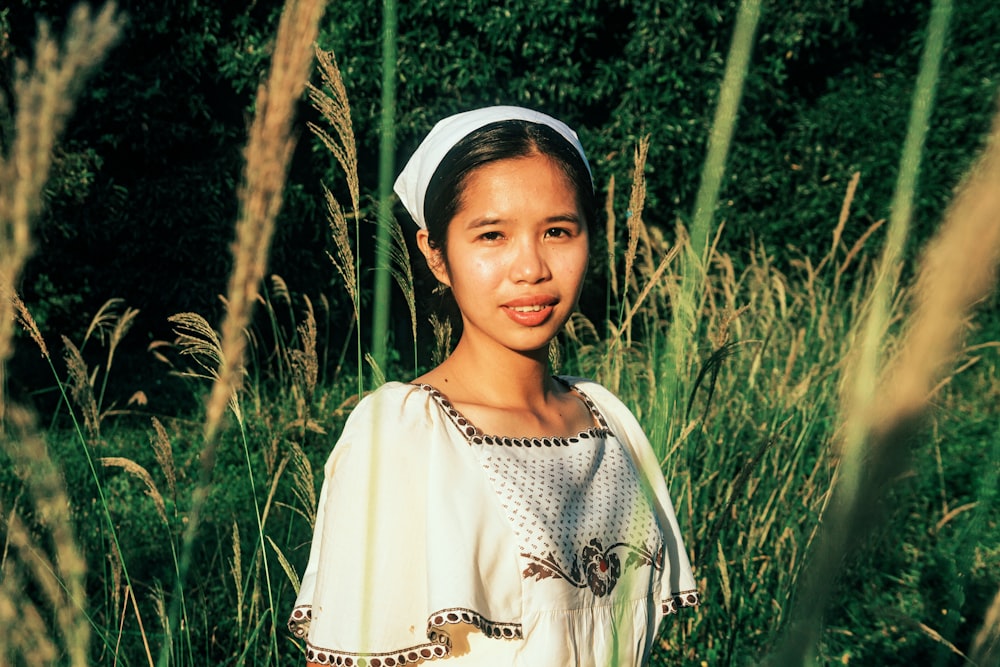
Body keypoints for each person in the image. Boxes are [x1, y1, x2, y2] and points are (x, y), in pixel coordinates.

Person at [288, 106, 699, 666]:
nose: (530, 267)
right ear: (436, 254)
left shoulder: (607, 420)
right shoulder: (409, 435)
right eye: (491, 235)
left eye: (557, 231)